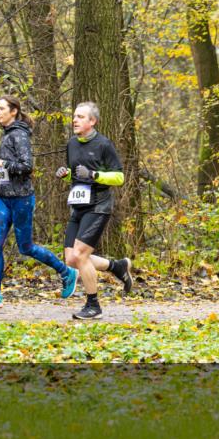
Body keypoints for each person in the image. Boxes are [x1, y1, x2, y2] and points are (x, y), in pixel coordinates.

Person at [0, 96, 78, 308]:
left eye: (1, 108)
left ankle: (66, 272)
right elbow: (11, 168)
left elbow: (27, 166)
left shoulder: (19, 134)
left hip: (21, 200)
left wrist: (1, 162)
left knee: (26, 247)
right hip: (4, 199)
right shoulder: (7, 134)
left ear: (13, 111)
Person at [55, 102, 134, 320]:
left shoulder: (103, 144)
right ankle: (117, 267)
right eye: (74, 116)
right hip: (79, 205)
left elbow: (119, 177)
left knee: (81, 255)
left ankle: (93, 306)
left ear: (92, 121)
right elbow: (76, 174)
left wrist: (94, 175)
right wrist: (66, 175)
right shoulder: (72, 144)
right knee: (71, 259)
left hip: (99, 205)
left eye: (80, 117)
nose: (75, 120)